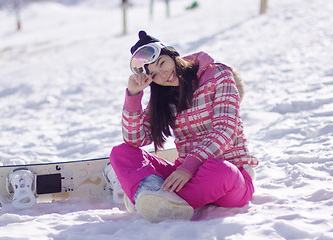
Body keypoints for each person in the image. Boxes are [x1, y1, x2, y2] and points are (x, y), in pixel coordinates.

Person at [107, 31, 258, 223]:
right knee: (121, 153)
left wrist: (189, 166)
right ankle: (156, 198)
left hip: (232, 178)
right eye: (153, 74)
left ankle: (152, 198)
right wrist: (133, 95)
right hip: (186, 177)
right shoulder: (165, 96)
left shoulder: (218, 74)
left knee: (221, 170)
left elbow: (225, 129)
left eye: (162, 63)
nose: (162, 75)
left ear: (172, 55)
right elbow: (134, 140)